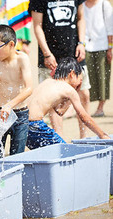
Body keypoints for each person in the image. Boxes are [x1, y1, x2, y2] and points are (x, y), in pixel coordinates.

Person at [29, 0, 91, 139]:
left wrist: (81, 43)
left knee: (84, 94)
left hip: (75, 53)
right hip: (51, 56)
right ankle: (59, 139)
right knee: (54, 101)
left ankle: (84, 137)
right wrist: (47, 53)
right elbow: (37, 26)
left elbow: (81, 18)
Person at [27, 57, 110, 150]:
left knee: (43, 152)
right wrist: (102, 135)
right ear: (72, 74)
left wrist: (73, 94)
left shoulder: (49, 81)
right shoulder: (69, 89)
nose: (80, 83)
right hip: (35, 125)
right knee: (64, 150)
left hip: (22, 123)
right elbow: (84, 117)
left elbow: (60, 111)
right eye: (80, 79)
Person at [0, 25, 33, 158]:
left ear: (11, 44)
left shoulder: (22, 59)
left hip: (20, 114)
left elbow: (29, 88)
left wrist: (9, 105)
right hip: (0, 114)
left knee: (17, 156)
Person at [84, 0, 113, 117]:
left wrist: (110, 48)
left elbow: (111, 28)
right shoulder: (82, 4)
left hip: (102, 46)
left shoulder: (104, 4)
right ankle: (84, 108)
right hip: (86, 46)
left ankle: (100, 108)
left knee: (102, 77)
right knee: (86, 78)